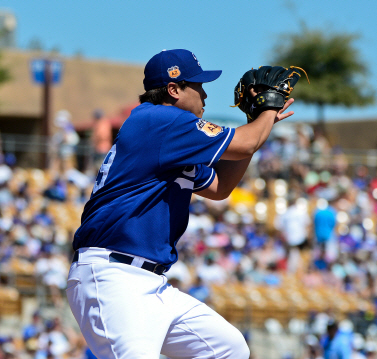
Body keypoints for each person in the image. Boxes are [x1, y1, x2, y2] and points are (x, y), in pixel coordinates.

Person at [66, 49, 295, 359]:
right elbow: (246, 142)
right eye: (196, 85)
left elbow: (219, 186)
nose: (204, 94)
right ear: (173, 90)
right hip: (113, 278)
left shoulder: (170, 138)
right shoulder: (161, 121)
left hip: (151, 283)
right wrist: (266, 112)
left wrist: (254, 121)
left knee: (228, 349)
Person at [90, 109, 112, 173]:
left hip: (102, 149)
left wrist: (95, 138)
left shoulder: (103, 124)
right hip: (98, 149)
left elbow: (103, 136)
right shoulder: (99, 124)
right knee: (97, 166)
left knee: (101, 166)